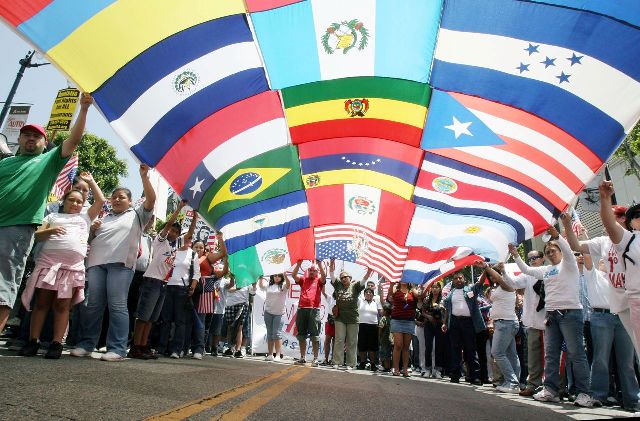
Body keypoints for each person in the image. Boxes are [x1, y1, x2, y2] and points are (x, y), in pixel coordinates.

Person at [0, 93, 92, 333]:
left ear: (43, 143)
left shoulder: (48, 162)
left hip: (16, 229)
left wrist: (83, 109)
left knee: (2, 289)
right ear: (18, 139)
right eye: (26, 135)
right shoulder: (4, 163)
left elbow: (73, 139)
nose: (31, 138)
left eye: (36, 136)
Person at [509, 218, 599, 408]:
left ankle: (585, 393)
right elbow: (526, 269)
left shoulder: (569, 264)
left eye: (553, 250)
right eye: (548, 251)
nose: (550, 253)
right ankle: (551, 390)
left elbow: (567, 249)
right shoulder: (546, 269)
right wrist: (515, 255)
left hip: (571, 314)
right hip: (551, 316)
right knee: (551, 354)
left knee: (577, 354)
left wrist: (558, 235)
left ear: (560, 251)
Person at [71, 164, 156, 361]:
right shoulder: (104, 217)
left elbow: (151, 200)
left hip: (120, 266)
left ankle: (117, 349)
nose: (117, 199)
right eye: (114, 197)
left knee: (117, 305)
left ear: (130, 201)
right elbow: (90, 241)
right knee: (92, 304)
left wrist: (144, 177)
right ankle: (86, 344)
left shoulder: (137, 215)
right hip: (96, 264)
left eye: (122, 197)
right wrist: (93, 230)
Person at [18, 173, 104, 359]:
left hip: (71, 268)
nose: (75, 204)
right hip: (48, 265)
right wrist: (51, 230)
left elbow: (101, 200)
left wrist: (90, 181)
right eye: (71, 200)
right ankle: (33, 341)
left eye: (79, 202)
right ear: (64, 201)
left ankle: (57, 343)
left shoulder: (86, 217)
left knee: (63, 305)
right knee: (41, 303)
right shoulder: (53, 215)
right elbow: (37, 236)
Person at [128, 201, 187, 359]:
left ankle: (143, 345)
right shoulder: (161, 242)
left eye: (176, 232)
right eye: (172, 230)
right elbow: (168, 225)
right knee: (143, 316)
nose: (173, 233)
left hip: (163, 284)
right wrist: (179, 208)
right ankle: (135, 346)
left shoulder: (174, 249)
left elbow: (188, 236)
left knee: (152, 318)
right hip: (151, 281)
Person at [599, 181, 640, 361]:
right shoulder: (629, 241)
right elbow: (610, 225)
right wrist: (605, 198)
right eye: (637, 215)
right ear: (631, 222)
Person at [501, 250, 547, 397]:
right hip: (532, 321)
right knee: (533, 357)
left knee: (550, 356)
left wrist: (515, 254)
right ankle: (533, 385)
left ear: (543, 258)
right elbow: (513, 283)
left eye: (535, 257)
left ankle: (554, 386)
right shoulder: (527, 275)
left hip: (549, 321)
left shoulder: (549, 271)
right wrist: (503, 272)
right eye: (530, 258)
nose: (532, 260)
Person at [478, 262, 521, 394]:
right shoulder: (497, 288)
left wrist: (487, 268)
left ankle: (512, 382)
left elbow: (500, 278)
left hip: (506, 323)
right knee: (511, 354)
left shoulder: (508, 284)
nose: (492, 277)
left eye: (494, 274)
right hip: (503, 323)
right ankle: (513, 382)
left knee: (497, 352)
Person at [441, 271, 485, 385]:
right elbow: (447, 309)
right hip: (454, 322)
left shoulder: (470, 290)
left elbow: (479, 284)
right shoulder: (451, 293)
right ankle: (455, 375)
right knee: (455, 349)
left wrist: (485, 269)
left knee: (470, 349)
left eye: (460, 278)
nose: (458, 280)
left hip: (468, 323)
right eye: (455, 278)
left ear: (464, 279)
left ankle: (474, 376)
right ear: (453, 281)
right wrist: (445, 323)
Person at [330, 260, 373, 370]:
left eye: (345, 277)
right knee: (339, 339)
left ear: (350, 277)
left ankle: (351, 364)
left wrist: (369, 271)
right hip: (340, 317)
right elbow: (331, 274)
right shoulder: (338, 285)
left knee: (352, 341)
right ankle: (337, 362)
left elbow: (364, 280)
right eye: (342, 277)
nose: (343, 278)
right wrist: (332, 262)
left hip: (353, 318)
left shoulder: (356, 286)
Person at [194, 233, 227, 358]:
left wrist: (220, 238)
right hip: (188, 288)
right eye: (196, 247)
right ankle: (182, 347)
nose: (199, 249)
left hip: (203, 290)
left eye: (201, 247)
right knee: (185, 321)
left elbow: (223, 254)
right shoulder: (188, 256)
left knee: (200, 321)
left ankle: (198, 348)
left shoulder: (207, 259)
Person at [291, 260, 326, 365]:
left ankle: (315, 359)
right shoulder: (303, 280)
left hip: (314, 310)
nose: (311, 272)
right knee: (301, 334)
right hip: (302, 309)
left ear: (317, 272)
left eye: (314, 271)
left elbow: (324, 277)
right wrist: (298, 264)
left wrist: (320, 264)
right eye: (310, 270)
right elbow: (293, 275)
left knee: (314, 335)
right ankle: (302, 357)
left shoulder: (319, 281)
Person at [387, 280, 421, 377]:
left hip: (409, 321)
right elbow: (390, 295)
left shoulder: (412, 290)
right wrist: (392, 283)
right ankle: (396, 368)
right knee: (398, 345)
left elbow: (419, 296)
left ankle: (405, 369)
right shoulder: (395, 288)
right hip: (397, 320)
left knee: (406, 347)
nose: (404, 280)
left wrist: (415, 287)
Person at [259, 274, 290, 361]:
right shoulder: (269, 285)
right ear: (272, 277)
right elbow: (261, 286)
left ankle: (278, 355)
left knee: (277, 334)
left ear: (281, 277)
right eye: (275, 275)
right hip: (268, 312)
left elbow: (288, 285)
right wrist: (260, 277)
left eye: (279, 276)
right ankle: (270, 354)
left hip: (279, 314)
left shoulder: (283, 286)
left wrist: (286, 275)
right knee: (269, 334)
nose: (277, 277)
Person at [422, 281, 445, 379]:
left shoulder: (443, 300)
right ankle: (428, 369)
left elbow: (446, 312)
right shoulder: (427, 300)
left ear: (440, 289)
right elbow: (422, 311)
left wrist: (443, 318)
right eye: (433, 287)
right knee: (428, 347)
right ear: (431, 289)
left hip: (440, 325)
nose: (435, 289)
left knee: (439, 347)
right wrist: (428, 316)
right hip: (428, 325)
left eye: (437, 287)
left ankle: (438, 370)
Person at [358, 287, 381, 371]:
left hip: (373, 326)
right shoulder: (360, 301)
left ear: (373, 295)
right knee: (362, 345)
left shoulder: (376, 303)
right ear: (364, 294)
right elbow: (355, 295)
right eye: (366, 292)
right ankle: (362, 363)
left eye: (370, 292)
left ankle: (373, 364)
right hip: (362, 325)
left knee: (372, 346)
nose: (368, 293)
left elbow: (381, 312)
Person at [378, 304, 393, 373]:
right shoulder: (391, 318)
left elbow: (380, 328)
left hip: (384, 339)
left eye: (383, 310)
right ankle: (389, 367)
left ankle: (385, 367)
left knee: (384, 353)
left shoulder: (383, 318)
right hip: (390, 339)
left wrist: (379, 336)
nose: (381, 311)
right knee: (389, 353)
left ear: (386, 311)